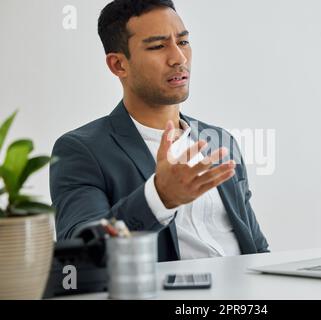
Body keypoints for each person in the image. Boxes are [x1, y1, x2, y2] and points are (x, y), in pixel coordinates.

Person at [50, 0, 269, 261]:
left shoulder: (220, 140)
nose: (178, 58)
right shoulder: (81, 150)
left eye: (183, 42)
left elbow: (257, 250)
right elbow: (82, 255)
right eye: (157, 46)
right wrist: (159, 197)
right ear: (119, 65)